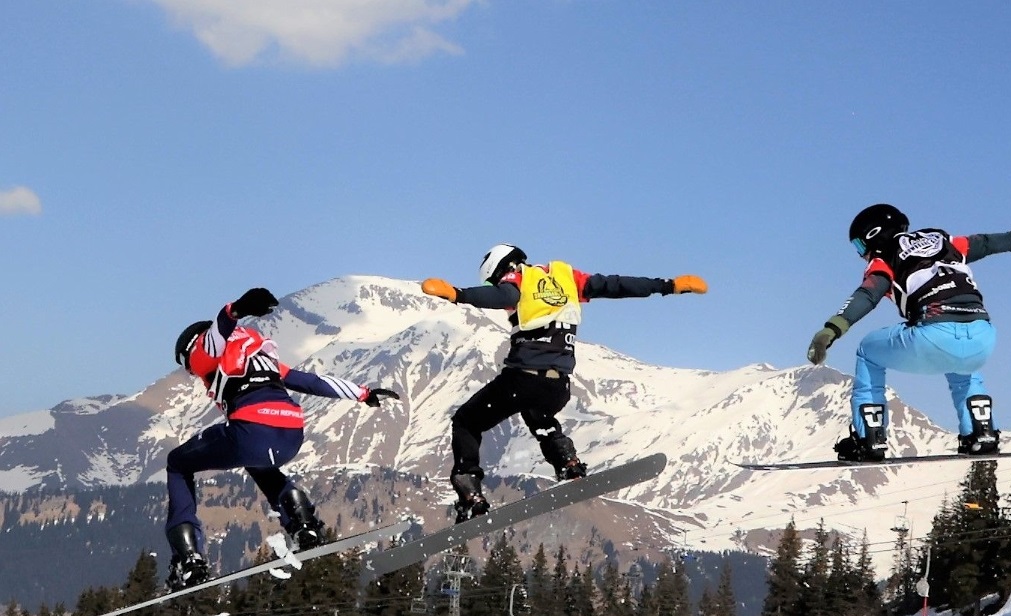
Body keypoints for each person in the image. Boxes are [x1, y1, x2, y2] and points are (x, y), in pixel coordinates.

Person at [420, 244, 707, 522]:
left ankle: (470, 496)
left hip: (522, 377)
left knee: (467, 421)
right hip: (558, 386)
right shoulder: (568, 278)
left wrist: (458, 294)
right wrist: (669, 285)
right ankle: (568, 464)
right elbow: (616, 285)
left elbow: (503, 295)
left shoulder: (516, 278)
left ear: (501, 268)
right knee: (539, 416)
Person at [167, 287, 399, 590]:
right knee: (257, 463)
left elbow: (218, 332)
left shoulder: (203, 353)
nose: (193, 375)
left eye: (188, 369)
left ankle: (189, 559)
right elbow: (311, 381)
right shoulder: (264, 356)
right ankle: (302, 523)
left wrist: (235, 309)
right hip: (291, 431)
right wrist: (364, 394)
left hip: (251, 428)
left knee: (177, 463)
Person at [805, 204, 1011, 462]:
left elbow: (868, 294)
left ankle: (869, 439)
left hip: (933, 335)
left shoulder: (884, 257)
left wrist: (831, 329)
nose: (860, 255)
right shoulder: (945, 241)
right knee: (962, 361)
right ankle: (980, 433)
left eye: (859, 247)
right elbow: (985, 243)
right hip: (983, 337)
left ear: (874, 236)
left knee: (868, 350)